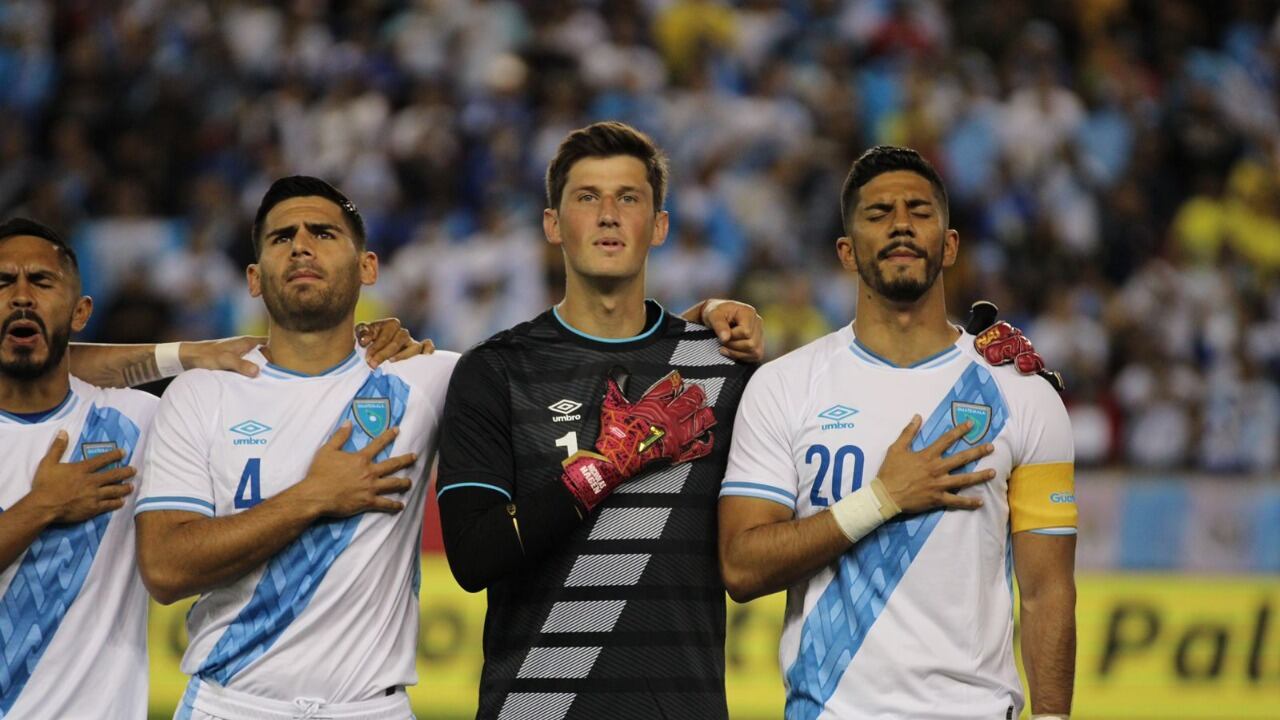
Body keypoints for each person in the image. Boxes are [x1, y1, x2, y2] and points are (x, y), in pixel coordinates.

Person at [718, 146, 1076, 720]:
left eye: (919, 210)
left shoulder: (1023, 394)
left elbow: (1047, 591)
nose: (901, 224)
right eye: (879, 213)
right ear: (846, 251)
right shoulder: (784, 386)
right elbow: (740, 568)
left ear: (950, 244)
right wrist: (882, 499)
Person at [435, 122, 761, 720]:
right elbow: (473, 559)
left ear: (658, 226)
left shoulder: (720, 369)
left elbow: (751, 556)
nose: (608, 215)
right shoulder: (494, 369)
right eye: (587, 197)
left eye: (628, 198)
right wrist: (603, 469)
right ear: (552, 224)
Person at [134, 176, 458, 720]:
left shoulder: (427, 378)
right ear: (254, 278)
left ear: (368, 268)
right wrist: (314, 496)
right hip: (230, 706)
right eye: (282, 237)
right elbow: (164, 569)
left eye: (323, 233)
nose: (301, 246)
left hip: (369, 711)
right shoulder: (202, 392)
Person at [0, 218, 156, 718]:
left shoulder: (139, 421)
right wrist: (44, 505)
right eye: (3, 282)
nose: (21, 297)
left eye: (41, 281)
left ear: (81, 312)